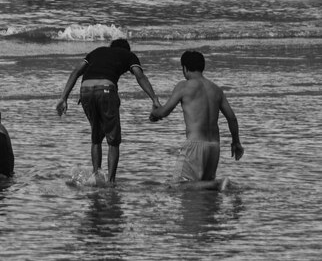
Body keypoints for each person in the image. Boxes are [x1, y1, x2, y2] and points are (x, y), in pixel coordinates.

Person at [56, 38, 161, 183]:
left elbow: (76, 71)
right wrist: (154, 99)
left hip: (85, 90)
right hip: (106, 89)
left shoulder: (96, 52)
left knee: (96, 136)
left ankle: (95, 176)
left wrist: (63, 98)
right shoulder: (128, 55)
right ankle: (111, 182)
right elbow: (139, 75)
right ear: (127, 49)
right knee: (113, 140)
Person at [150, 51, 244, 189]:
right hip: (214, 146)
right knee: (202, 190)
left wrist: (154, 112)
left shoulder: (184, 86)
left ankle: (218, 184)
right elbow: (232, 118)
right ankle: (216, 186)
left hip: (195, 144)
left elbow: (164, 112)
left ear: (185, 68)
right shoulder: (216, 89)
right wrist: (236, 142)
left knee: (176, 186)